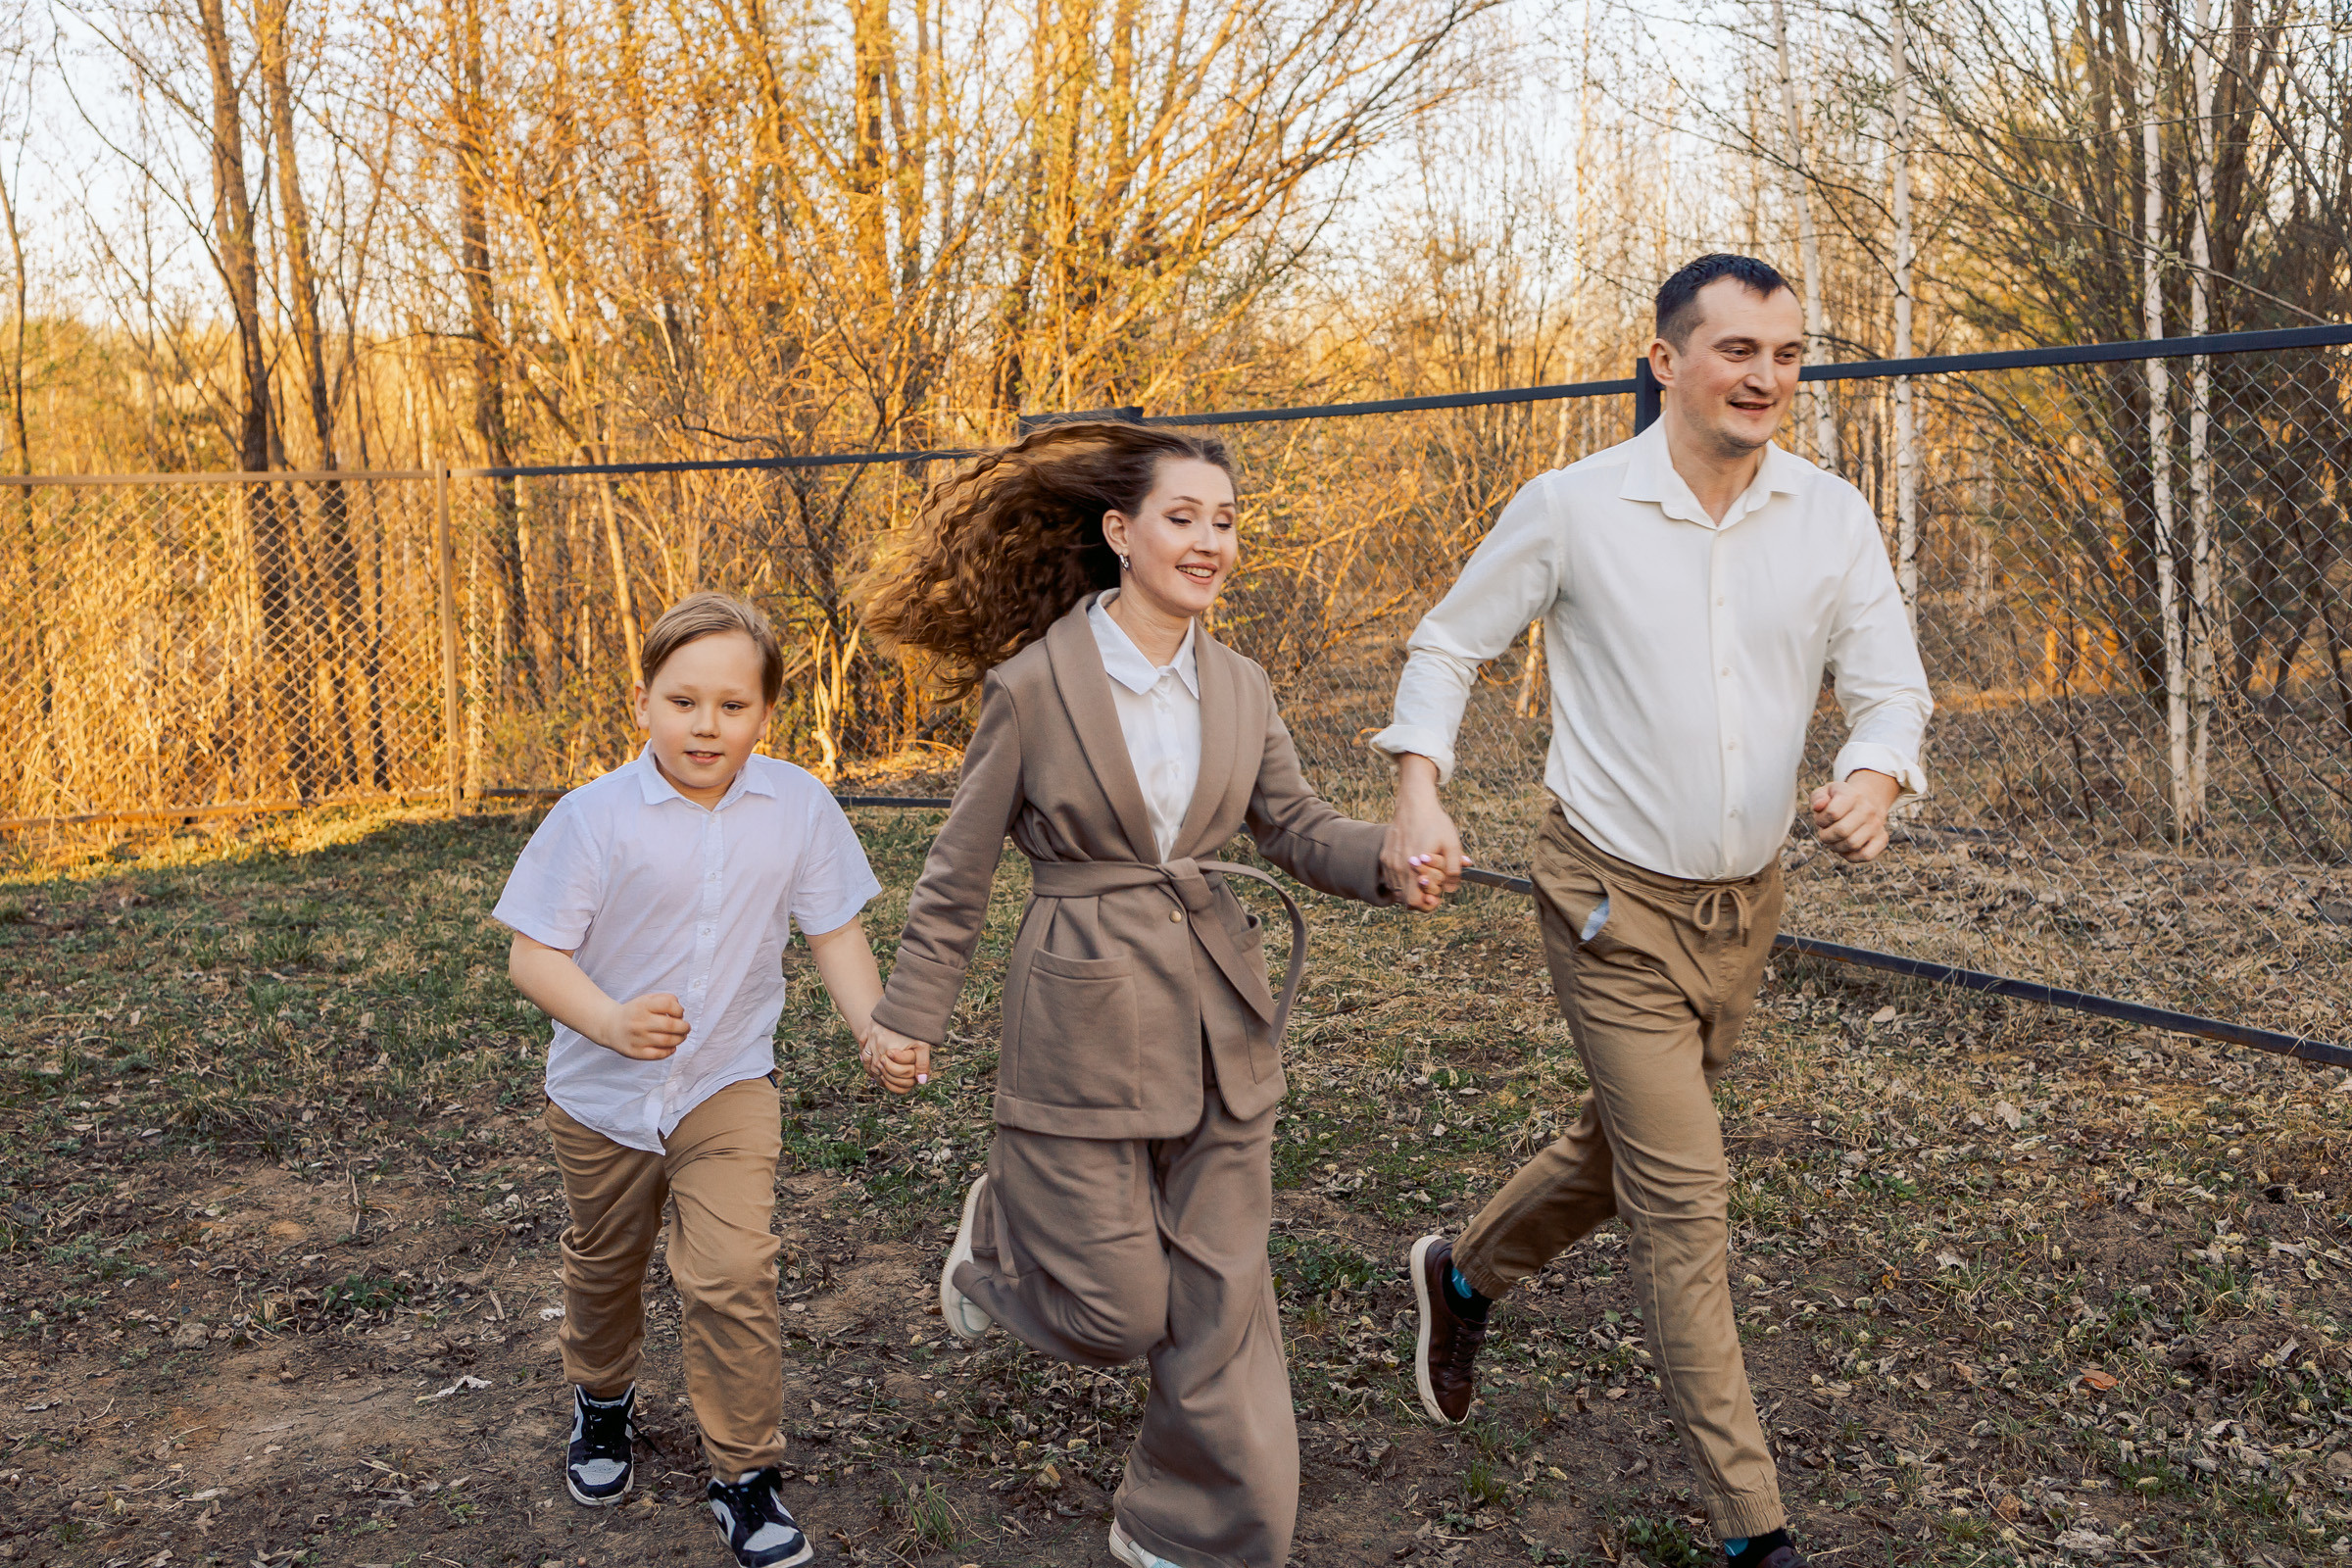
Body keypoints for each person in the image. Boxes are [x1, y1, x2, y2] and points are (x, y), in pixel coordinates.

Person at [1374, 254, 1934, 1568]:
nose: (1768, 379)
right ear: (1665, 359)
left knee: (1631, 1150)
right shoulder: (1575, 509)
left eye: (1789, 354)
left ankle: (1461, 1274)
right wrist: (1419, 791)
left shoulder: (1831, 514)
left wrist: (1872, 771)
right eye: (1739, 350)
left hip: (1749, 907)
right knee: (1688, 1195)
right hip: (1606, 901)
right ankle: (1757, 1532)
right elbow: (1450, 644)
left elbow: (1892, 684)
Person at [857, 422, 1400, 1568]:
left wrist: (1390, 861)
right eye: (1184, 517)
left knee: (1219, 1303)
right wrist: (907, 1016)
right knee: (1119, 1315)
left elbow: (1296, 827)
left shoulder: (1242, 684)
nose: (1210, 542)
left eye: (1226, 521)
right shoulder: (1036, 685)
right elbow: (958, 873)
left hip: (1218, 1020)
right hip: (1081, 1025)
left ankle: (1187, 1532)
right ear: (1122, 532)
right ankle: (993, 1247)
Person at [494, 592, 886, 1568]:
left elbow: (832, 927)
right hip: (602, 1098)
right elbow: (533, 958)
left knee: (733, 1270)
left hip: (725, 1083)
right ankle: (602, 1400)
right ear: (643, 703)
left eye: (732, 706)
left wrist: (876, 1030)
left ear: (764, 714)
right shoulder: (594, 818)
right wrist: (612, 1020)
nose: (706, 725)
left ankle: (744, 1475)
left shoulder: (796, 804)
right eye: (683, 701)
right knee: (605, 1266)